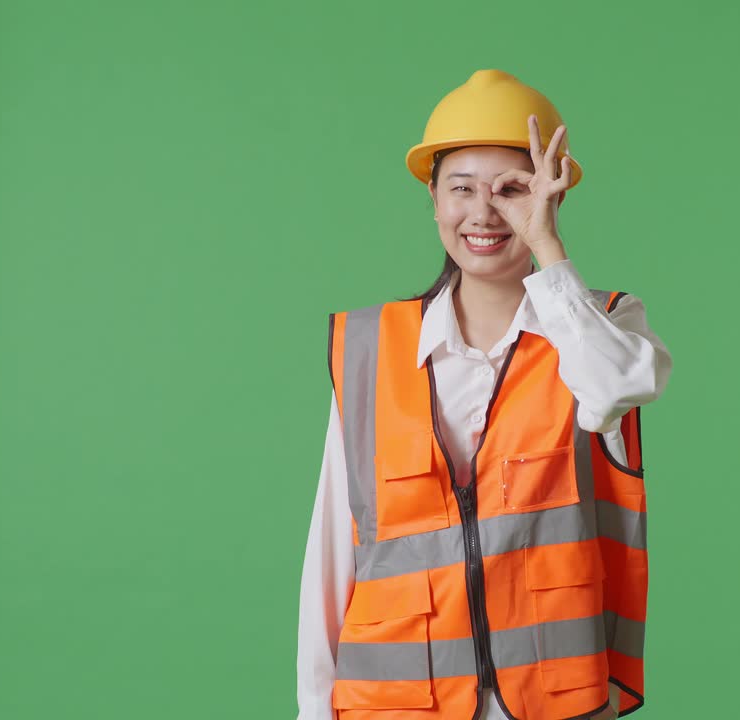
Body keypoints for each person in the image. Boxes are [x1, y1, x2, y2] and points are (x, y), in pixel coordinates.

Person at [296, 69, 672, 720]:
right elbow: (332, 549)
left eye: (513, 190)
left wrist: (547, 250)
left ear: (549, 198)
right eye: (460, 189)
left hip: (554, 702)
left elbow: (617, 387)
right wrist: (311, 710)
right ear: (433, 201)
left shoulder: (604, 324)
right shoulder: (370, 347)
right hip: (393, 705)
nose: (483, 213)